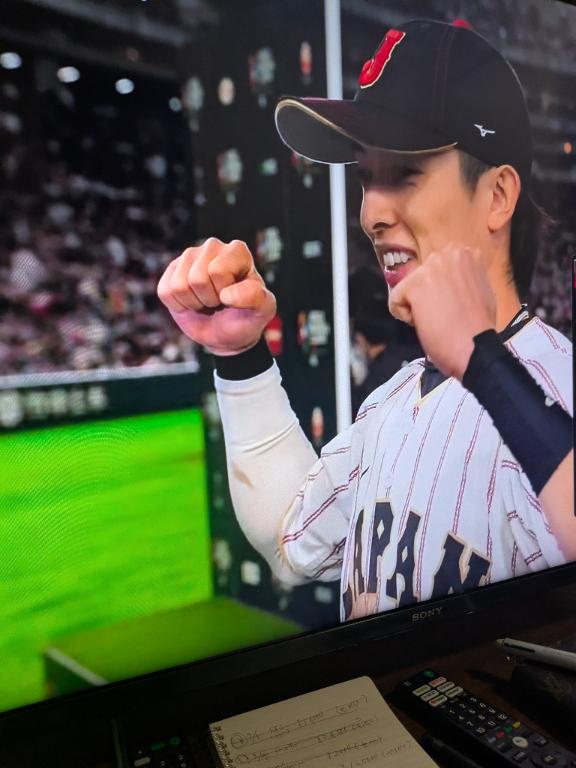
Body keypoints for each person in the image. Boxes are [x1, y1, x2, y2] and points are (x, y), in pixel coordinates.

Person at [157, 19, 575, 621]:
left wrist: (485, 364)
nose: (371, 213)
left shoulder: (561, 388)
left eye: (405, 173)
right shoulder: (393, 400)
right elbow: (289, 539)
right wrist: (240, 355)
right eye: (364, 178)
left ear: (497, 196)